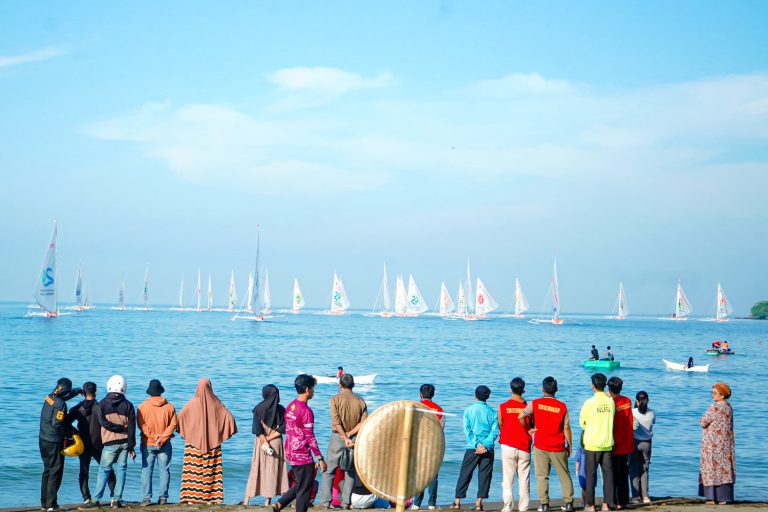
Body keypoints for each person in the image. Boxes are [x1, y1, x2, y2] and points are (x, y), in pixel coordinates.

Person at [177, 378, 238, 504]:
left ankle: (191, 498)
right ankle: (211, 498)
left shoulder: (191, 404)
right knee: (212, 470)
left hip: (193, 444)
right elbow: (230, 420)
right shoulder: (217, 404)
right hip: (213, 444)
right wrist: (220, 435)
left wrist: (187, 433)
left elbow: (179, 420)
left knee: (193, 470)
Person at [272, 374, 327, 512]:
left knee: (302, 483)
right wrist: (320, 458)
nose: (314, 391)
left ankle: (280, 504)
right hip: (302, 455)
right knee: (305, 489)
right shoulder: (306, 411)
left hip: (290, 452)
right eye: (313, 388)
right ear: (308, 389)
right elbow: (310, 436)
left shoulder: (291, 406)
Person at [519, 376, 574, 512]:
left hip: (541, 445)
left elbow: (520, 416)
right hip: (558, 445)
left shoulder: (535, 403)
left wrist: (529, 430)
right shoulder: (562, 406)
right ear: (556, 390)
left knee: (542, 476)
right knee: (564, 475)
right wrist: (570, 445)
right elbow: (566, 427)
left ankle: (544, 504)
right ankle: (568, 504)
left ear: (542, 389)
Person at [85, 375, 136, 509]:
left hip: (109, 443)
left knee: (104, 470)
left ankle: (96, 500)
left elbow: (103, 423)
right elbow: (131, 427)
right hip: (125, 443)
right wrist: (132, 446)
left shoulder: (102, 403)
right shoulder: (128, 405)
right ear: (124, 388)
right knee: (122, 470)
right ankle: (116, 500)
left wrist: (115, 428)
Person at [319, 374, 369, 509]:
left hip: (337, 438)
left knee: (329, 471)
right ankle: (346, 503)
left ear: (340, 385)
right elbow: (363, 423)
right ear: (353, 385)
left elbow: (336, 422)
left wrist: (344, 437)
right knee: (350, 472)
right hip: (354, 439)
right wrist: (349, 435)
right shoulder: (360, 401)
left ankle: (325, 502)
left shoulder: (335, 399)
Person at [451, 385, 500, 511]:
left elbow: (467, 430)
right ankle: (478, 503)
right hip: (488, 448)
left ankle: (457, 502)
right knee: (485, 475)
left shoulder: (468, 410)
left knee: (465, 473)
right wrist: (485, 445)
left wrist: (477, 444)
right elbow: (495, 432)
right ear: (488, 397)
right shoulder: (493, 413)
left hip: (472, 447)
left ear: (475, 395)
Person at [68, 382, 116, 505]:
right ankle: (113, 497)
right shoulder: (101, 407)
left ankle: (86, 498)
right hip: (98, 444)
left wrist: (75, 432)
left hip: (82, 444)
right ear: (95, 393)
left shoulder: (77, 408)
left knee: (83, 470)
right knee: (108, 469)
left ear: (83, 393)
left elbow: (66, 423)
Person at [40, 377, 81, 512]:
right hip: (53, 441)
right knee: (55, 472)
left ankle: (44, 504)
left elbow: (65, 396)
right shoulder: (61, 405)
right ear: (66, 390)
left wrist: (78, 391)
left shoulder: (50, 396)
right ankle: (52, 506)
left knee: (47, 470)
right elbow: (57, 425)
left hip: (43, 439)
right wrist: (72, 432)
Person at [244, 384, 289, 507]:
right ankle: (267, 501)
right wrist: (270, 438)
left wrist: (265, 440)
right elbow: (284, 428)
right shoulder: (281, 409)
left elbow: (257, 430)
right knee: (273, 471)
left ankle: (246, 500)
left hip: (261, 443)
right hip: (276, 442)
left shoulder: (258, 409)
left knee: (256, 469)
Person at [137, 379, 177, 506]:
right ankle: (163, 498)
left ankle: (146, 498)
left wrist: (154, 438)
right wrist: (162, 439)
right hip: (164, 444)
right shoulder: (170, 406)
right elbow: (173, 425)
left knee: (146, 470)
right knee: (164, 470)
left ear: (150, 392)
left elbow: (141, 425)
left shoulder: (142, 406)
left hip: (148, 442)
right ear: (160, 391)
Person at [579, 373, 615, 512]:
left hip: (592, 443)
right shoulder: (610, 402)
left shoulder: (589, 403)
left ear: (593, 386)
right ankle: (606, 504)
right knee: (608, 475)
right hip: (607, 443)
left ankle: (591, 505)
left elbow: (582, 422)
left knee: (590, 475)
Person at [498, 377, 531, 512]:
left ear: (510, 390)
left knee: (508, 478)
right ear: (523, 391)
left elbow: (500, 423)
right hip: (524, 446)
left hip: (508, 445)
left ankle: (508, 507)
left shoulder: (503, 406)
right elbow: (531, 425)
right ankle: (524, 507)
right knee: (524, 479)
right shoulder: (528, 408)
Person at [699, 383, 735, 505]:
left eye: (715, 393)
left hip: (712, 444)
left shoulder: (714, 407)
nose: (712, 395)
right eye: (712, 393)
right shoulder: (729, 407)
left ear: (722, 395)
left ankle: (711, 497)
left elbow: (703, 421)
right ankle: (723, 497)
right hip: (725, 443)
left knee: (711, 468)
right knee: (724, 468)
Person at [412, 384, 444, 510]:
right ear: (433, 394)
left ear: (420, 394)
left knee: (418, 474)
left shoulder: (415, 408)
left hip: (418, 445)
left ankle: (416, 503)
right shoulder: (439, 410)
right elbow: (441, 430)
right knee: (433, 476)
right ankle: (431, 504)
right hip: (433, 445)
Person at [607, 377, 633, 510]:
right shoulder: (627, 401)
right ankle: (624, 500)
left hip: (615, 442)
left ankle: (616, 502)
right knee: (624, 473)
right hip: (627, 441)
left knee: (615, 474)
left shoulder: (610, 402)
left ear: (609, 388)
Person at [629, 391, 655, 503]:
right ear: (647, 401)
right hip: (647, 444)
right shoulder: (652, 413)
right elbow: (652, 424)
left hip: (634, 442)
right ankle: (645, 496)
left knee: (633, 469)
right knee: (645, 469)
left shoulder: (632, 412)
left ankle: (636, 496)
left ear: (637, 401)